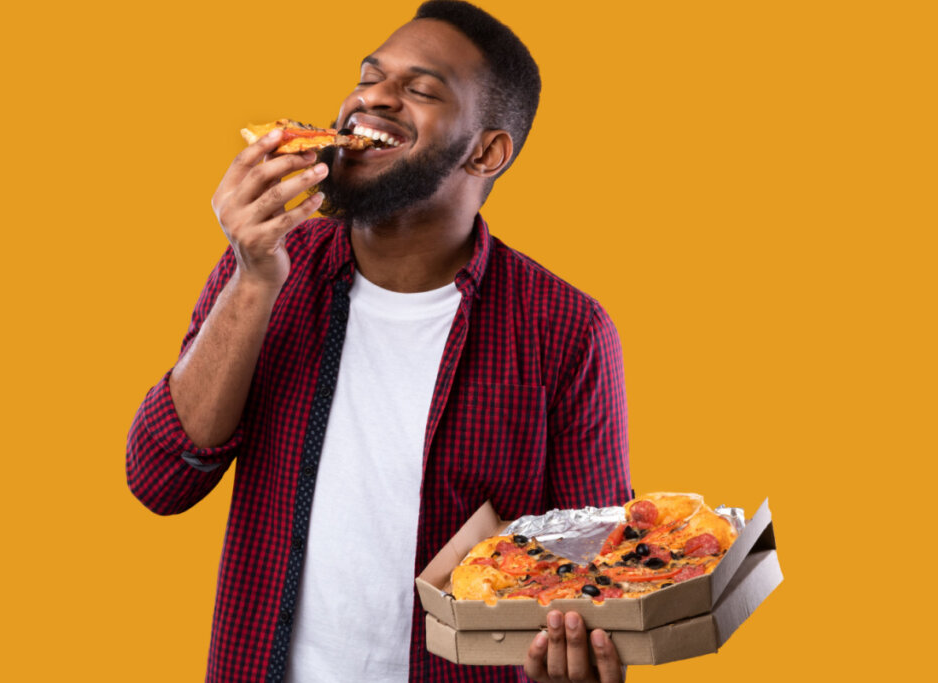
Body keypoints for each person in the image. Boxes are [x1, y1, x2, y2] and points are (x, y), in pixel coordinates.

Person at [126, 2, 631, 681]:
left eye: (420, 89)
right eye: (369, 75)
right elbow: (159, 481)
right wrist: (253, 278)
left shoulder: (564, 331)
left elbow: (597, 593)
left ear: (487, 150)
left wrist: (576, 649)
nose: (372, 98)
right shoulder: (274, 263)